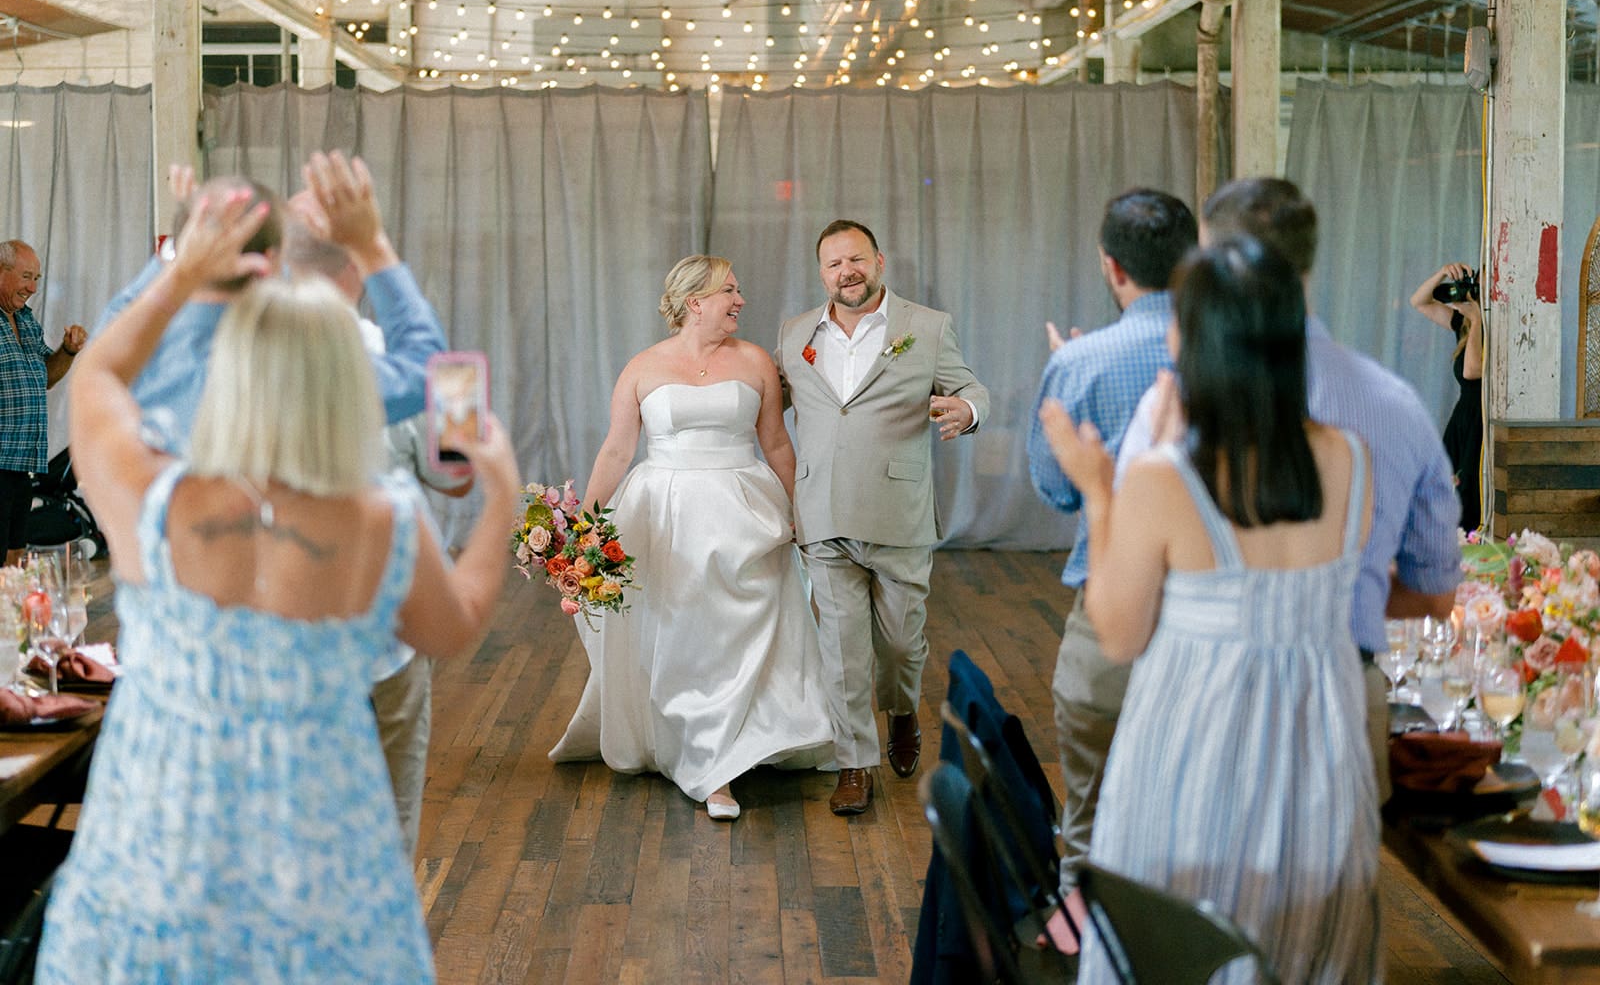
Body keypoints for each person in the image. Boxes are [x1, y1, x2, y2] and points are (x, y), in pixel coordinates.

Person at [36, 188, 522, 982]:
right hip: (324, 861)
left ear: (230, 371)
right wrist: (502, 497)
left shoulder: (152, 502)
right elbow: (457, 622)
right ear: (348, 383)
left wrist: (175, 267)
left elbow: (97, 377)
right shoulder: (383, 523)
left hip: (160, 850)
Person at [1041, 236, 1379, 983]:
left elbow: (1122, 635)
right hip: (1318, 757)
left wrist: (1101, 492)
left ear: (1196, 339)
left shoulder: (1167, 476)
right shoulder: (1351, 458)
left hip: (1199, 747)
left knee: (1183, 957)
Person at [1118, 177, 1460, 801]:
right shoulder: (1394, 407)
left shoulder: (1170, 409)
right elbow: (1435, 597)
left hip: (1197, 698)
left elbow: (1125, 612)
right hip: (1339, 692)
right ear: (1308, 260)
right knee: (1327, 893)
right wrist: (1334, 595)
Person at [550, 255, 833, 821]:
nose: (740, 300)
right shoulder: (642, 367)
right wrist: (584, 531)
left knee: (742, 632)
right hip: (663, 513)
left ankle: (739, 746)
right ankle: (705, 760)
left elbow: (776, 444)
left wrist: (802, 515)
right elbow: (616, 450)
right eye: (730, 290)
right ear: (694, 302)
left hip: (743, 508)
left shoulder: (754, 361)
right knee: (683, 634)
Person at [777, 220, 990, 817]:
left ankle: (901, 711)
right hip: (821, 515)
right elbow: (769, 406)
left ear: (880, 262)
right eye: (833, 264)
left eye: (856, 260)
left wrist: (966, 409)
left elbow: (972, 387)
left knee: (899, 646)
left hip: (898, 514)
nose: (846, 272)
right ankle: (853, 765)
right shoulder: (795, 335)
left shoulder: (925, 327)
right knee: (841, 649)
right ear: (821, 273)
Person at [284, 220, 473, 859]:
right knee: (391, 809)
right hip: (385, 623)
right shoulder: (407, 365)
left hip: (279, 626)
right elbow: (454, 477)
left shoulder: (238, 361)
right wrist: (465, 429)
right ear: (358, 274)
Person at [1025, 190, 1197, 874]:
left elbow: (1057, 488)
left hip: (1111, 615)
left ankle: (1089, 954)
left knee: (1090, 819)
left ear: (1112, 267)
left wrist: (1076, 370)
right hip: (1218, 617)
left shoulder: (1080, 362)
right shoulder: (1247, 363)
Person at [95, 155, 446, 450]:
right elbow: (424, 369)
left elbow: (100, 354)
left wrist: (177, 257)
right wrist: (370, 245)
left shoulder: (147, 362)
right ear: (274, 262)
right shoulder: (310, 370)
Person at [0, 239, 86, 566]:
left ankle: (10, 618)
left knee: (14, 558)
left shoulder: (24, 320)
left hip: (22, 463)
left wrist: (68, 351)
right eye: (26, 277)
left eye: (37, 278)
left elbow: (45, 377)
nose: (33, 288)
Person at [1410, 261, 1484, 531]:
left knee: (1469, 498)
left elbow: (1472, 370)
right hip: (1463, 418)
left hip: (1482, 421)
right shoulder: (1463, 324)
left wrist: (1477, 320)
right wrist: (1442, 272)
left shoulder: (1488, 326)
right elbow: (1419, 301)